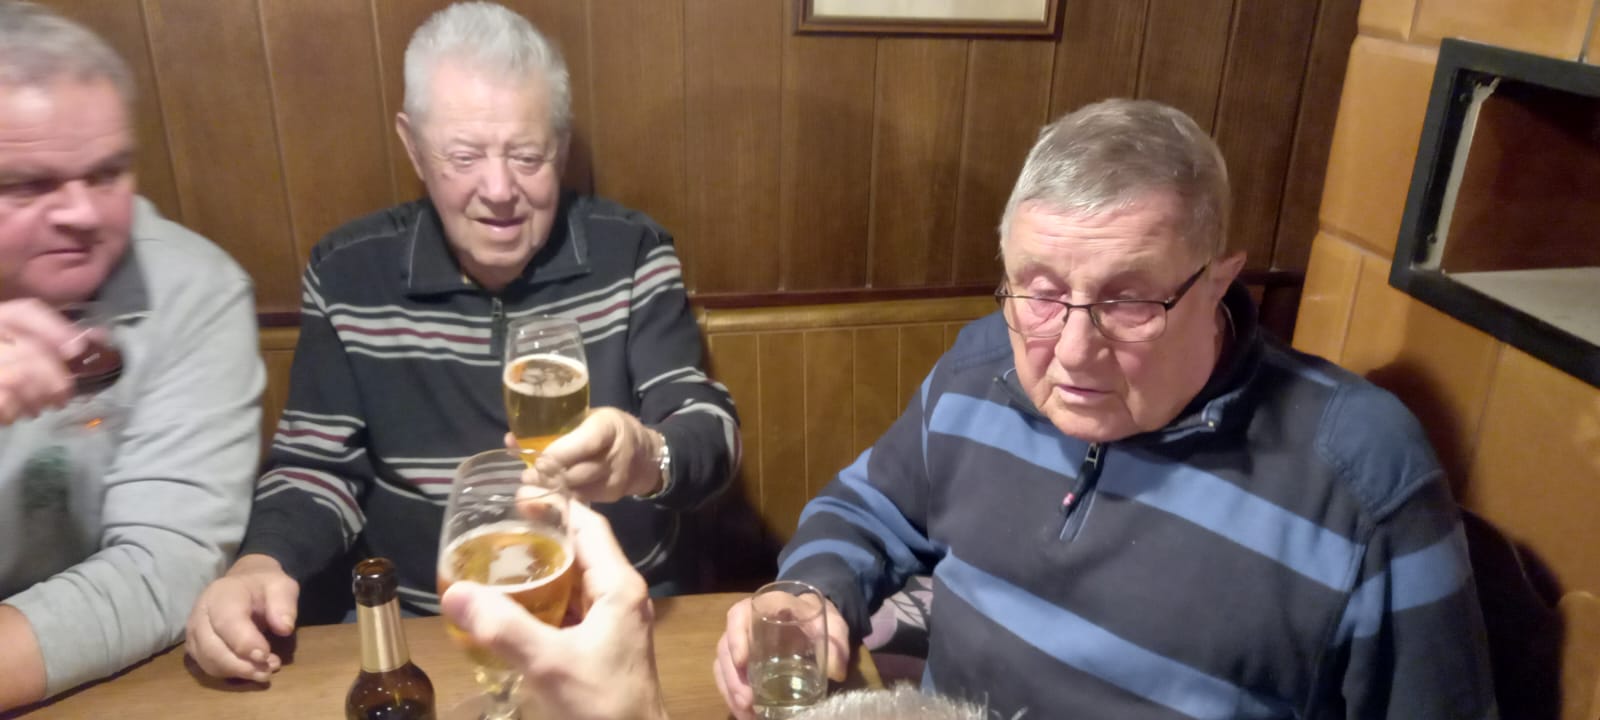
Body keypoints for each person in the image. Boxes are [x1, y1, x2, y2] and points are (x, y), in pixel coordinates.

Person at [713, 99, 1499, 718]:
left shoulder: (1361, 471)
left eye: (1128, 300)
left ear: (1219, 282)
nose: (1072, 351)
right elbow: (865, 508)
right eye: (1041, 290)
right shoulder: (979, 369)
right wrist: (809, 592)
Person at [185, 1, 738, 683]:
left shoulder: (633, 253)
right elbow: (316, 467)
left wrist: (648, 455)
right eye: (464, 156)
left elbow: (708, 427)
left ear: (561, 147)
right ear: (413, 146)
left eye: (527, 155)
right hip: (429, 629)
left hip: (613, 617)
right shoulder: (347, 273)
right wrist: (259, 563)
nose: (499, 190)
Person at [0, 1, 263, 709]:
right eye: (27, 184)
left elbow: (162, 565)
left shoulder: (193, 288)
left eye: (107, 172)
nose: (82, 214)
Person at [440, 498, 987, 720]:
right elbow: (863, 508)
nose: (1023, 313)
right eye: (1024, 296)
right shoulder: (967, 368)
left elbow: (709, 431)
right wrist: (813, 592)